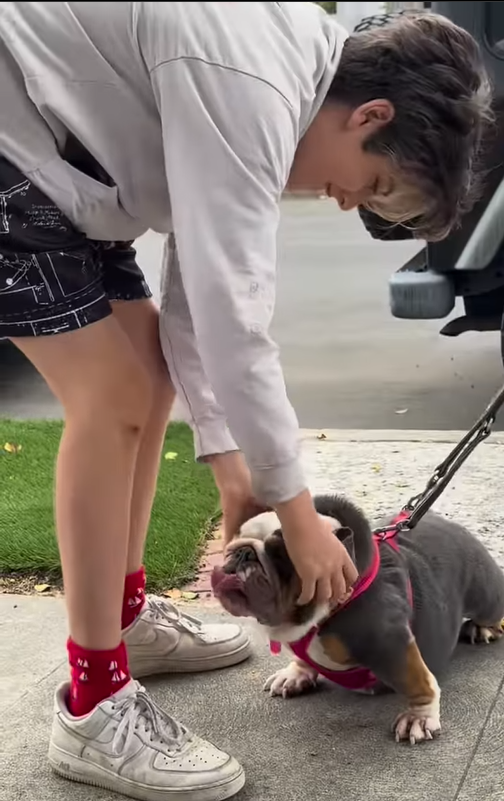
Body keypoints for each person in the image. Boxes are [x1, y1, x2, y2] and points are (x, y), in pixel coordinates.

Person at [0, 2, 491, 800]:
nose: (344, 199)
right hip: (14, 148)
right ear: (370, 114)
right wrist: (295, 514)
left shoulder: (285, 74)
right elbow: (235, 312)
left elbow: (198, 299)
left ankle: (124, 621)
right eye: (370, 182)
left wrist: (234, 471)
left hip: (59, 165)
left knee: (149, 371)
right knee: (113, 395)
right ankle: (94, 704)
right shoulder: (252, 78)